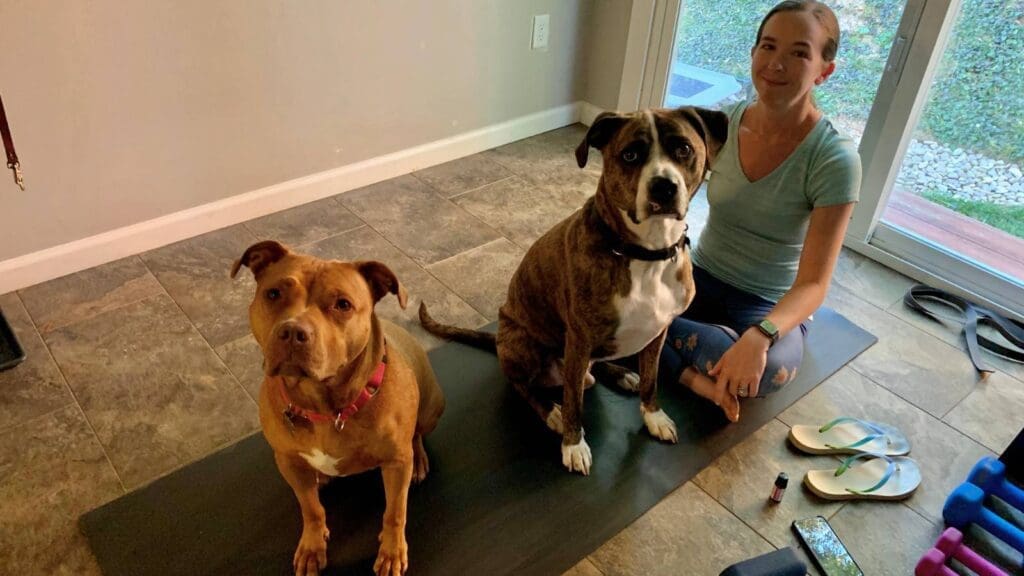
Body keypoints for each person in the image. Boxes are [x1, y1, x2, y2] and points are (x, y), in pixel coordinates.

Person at [659, 0, 862, 422]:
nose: (777, 63)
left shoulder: (834, 159)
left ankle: (669, 351)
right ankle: (695, 379)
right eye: (768, 47)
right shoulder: (719, 128)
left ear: (825, 70)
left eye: (799, 53)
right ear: (753, 54)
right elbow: (670, 204)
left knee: (769, 370)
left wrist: (761, 335)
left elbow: (814, 285)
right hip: (701, 276)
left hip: (770, 301)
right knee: (613, 308)